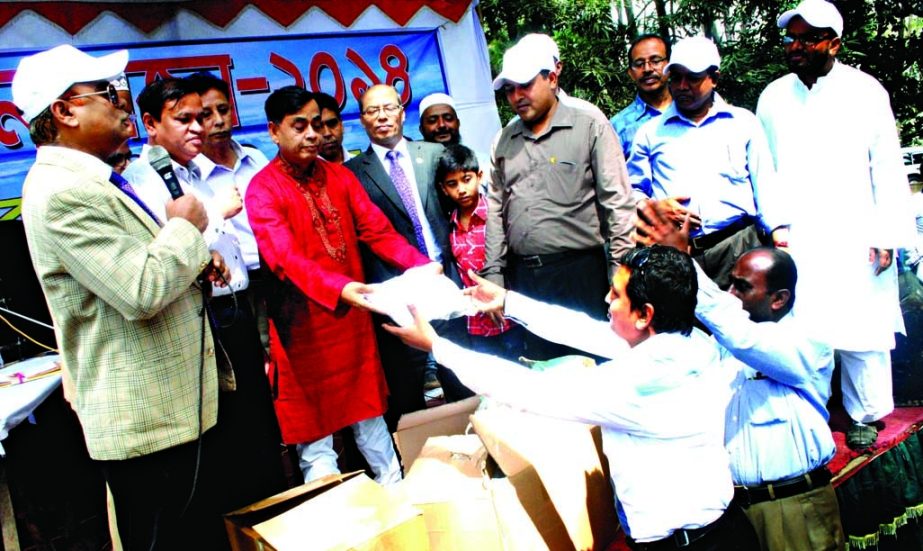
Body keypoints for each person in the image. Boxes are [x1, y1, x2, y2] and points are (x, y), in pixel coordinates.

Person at [385, 245, 759, 550]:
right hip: (721, 532)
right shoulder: (691, 345)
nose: (606, 299)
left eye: (616, 294)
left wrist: (437, 346)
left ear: (645, 315)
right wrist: (509, 302)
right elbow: (587, 331)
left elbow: (529, 390)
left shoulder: (638, 383)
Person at [14, 45, 229, 549]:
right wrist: (184, 229)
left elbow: (139, 268)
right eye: (108, 93)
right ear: (65, 112)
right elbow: (139, 290)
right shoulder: (64, 192)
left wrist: (195, 256)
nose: (122, 102)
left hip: (173, 413)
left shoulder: (94, 181)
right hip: (145, 425)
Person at [245, 86, 433, 484]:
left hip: (351, 325)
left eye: (316, 124)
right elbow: (284, 258)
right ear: (274, 131)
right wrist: (342, 288)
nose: (312, 134)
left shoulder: (339, 177)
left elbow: (377, 231)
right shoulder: (263, 188)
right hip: (303, 334)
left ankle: (400, 505)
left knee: (372, 424)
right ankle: (335, 526)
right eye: (299, 126)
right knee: (316, 443)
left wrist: (422, 266)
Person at [636, 200, 845, 551]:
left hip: (794, 510)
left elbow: (742, 336)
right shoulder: (724, 345)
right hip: (733, 515)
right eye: (730, 284)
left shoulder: (808, 343)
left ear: (779, 299)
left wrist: (685, 263)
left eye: (743, 287)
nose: (730, 295)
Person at [755, 0, 915, 449]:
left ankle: (864, 413)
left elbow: (886, 165)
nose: (798, 46)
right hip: (798, 233)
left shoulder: (866, 92)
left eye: (809, 38)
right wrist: (777, 226)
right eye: (793, 38)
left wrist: (887, 234)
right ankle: (812, 411)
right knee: (805, 323)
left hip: (856, 227)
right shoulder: (773, 96)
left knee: (861, 322)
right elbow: (765, 169)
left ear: (834, 43)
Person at [483, 40, 634, 361]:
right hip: (526, 280)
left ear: (552, 78)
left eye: (525, 85)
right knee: (543, 370)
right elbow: (495, 213)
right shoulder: (504, 140)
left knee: (596, 365)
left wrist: (620, 272)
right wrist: (494, 275)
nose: (516, 96)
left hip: (581, 275)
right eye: (509, 89)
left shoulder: (589, 125)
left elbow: (617, 203)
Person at [183, 71, 288, 509]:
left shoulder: (259, 160)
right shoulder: (188, 178)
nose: (217, 121)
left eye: (223, 109)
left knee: (287, 370)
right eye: (204, 114)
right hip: (229, 293)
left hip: (279, 277)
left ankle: (294, 459)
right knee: (252, 381)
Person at [345, 84, 468, 427]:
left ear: (402, 112)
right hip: (396, 295)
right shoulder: (352, 173)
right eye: (372, 110)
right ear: (362, 120)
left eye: (389, 107)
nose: (382, 116)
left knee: (463, 378)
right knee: (409, 396)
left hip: (446, 282)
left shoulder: (433, 155)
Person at [627, 36, 782, 289]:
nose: (682, 86)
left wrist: (779, 238)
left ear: (715, 78)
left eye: (693, 77)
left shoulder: (743, 123)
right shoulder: (650, 132)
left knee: (741, 322)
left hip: (737, 246)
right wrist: (653, 207)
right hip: (675, 251)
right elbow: (632, 191)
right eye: (676, 77)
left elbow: (765, 184)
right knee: (682, 324)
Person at [435, 144, 523, 360]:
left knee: (522, 370)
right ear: (444, 188)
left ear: (479, 176)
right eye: (452, 184)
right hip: (476, 322)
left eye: (466, 179)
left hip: (508, 315)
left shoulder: (496, 216)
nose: (461, 189)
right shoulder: (450, 225)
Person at [610, 34, 672, 159]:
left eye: (655, 61)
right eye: (639, 64)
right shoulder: (617, 127)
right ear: (631, 74)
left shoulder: (690, 111)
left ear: (670, 66)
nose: (647, 69)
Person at [314, 91, 352, 163]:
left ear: (341, 125)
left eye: (332, 123)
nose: (327, 133)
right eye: (319, 127)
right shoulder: (303, 173)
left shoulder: (363, 166)